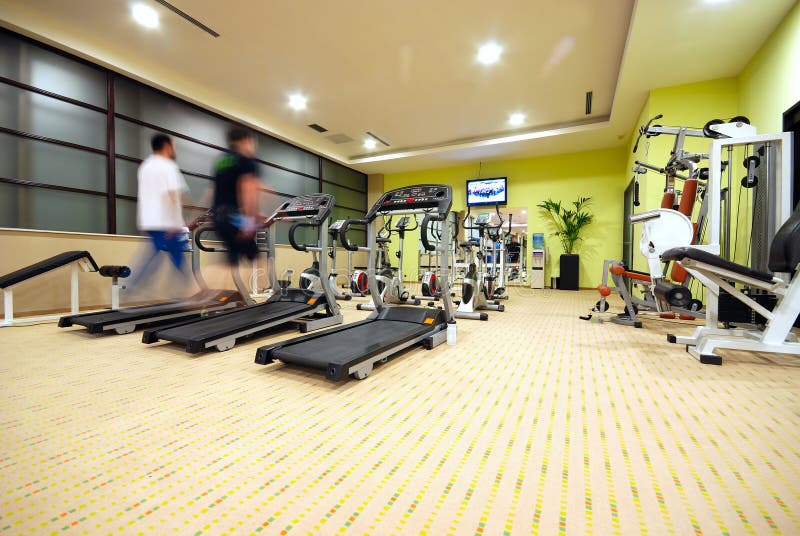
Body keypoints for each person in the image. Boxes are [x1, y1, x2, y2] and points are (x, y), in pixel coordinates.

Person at [129, 133, 190, 293]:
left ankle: (128, 288)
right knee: (174, 258)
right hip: (166, 222)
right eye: (174, 146)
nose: (175, 150)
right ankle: (127, 288)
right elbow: (172, 194)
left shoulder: (145, 166)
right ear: (167, 146)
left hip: (149, 221)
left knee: (159, 257)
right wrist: (175, 222)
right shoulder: (168, 166)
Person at [212, 127, 262, 267]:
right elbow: (247, 190)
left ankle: (214, 280)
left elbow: (212, 191)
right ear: (246, 140)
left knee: (232, 262)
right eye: (252, 142)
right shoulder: (246, 160)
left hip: (218, 216)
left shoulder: (221, 161)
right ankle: (210, 277)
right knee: (258, 261)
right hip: (235, 217)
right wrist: (249, 221)